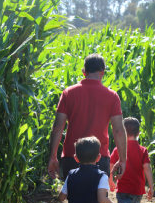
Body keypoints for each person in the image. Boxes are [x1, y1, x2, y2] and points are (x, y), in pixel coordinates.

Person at [47, 53, 127, 182]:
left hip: (72, 157)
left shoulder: (68, 93)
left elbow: (57, 127)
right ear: (103, 72)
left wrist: (52, 157)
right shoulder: (112, 96)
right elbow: (118, 131)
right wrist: (122, 160)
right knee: (99, 199)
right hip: (99, 157)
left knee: (75, 199)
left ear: (84, 72)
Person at [108, 117, 154, 203]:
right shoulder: (142, 150)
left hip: (123, 190)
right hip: (137, 190)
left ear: (121, 132)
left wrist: (110, 181)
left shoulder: (117, 150)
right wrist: (151, 187)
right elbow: (147, 169)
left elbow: (109, 167)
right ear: (139, 132)